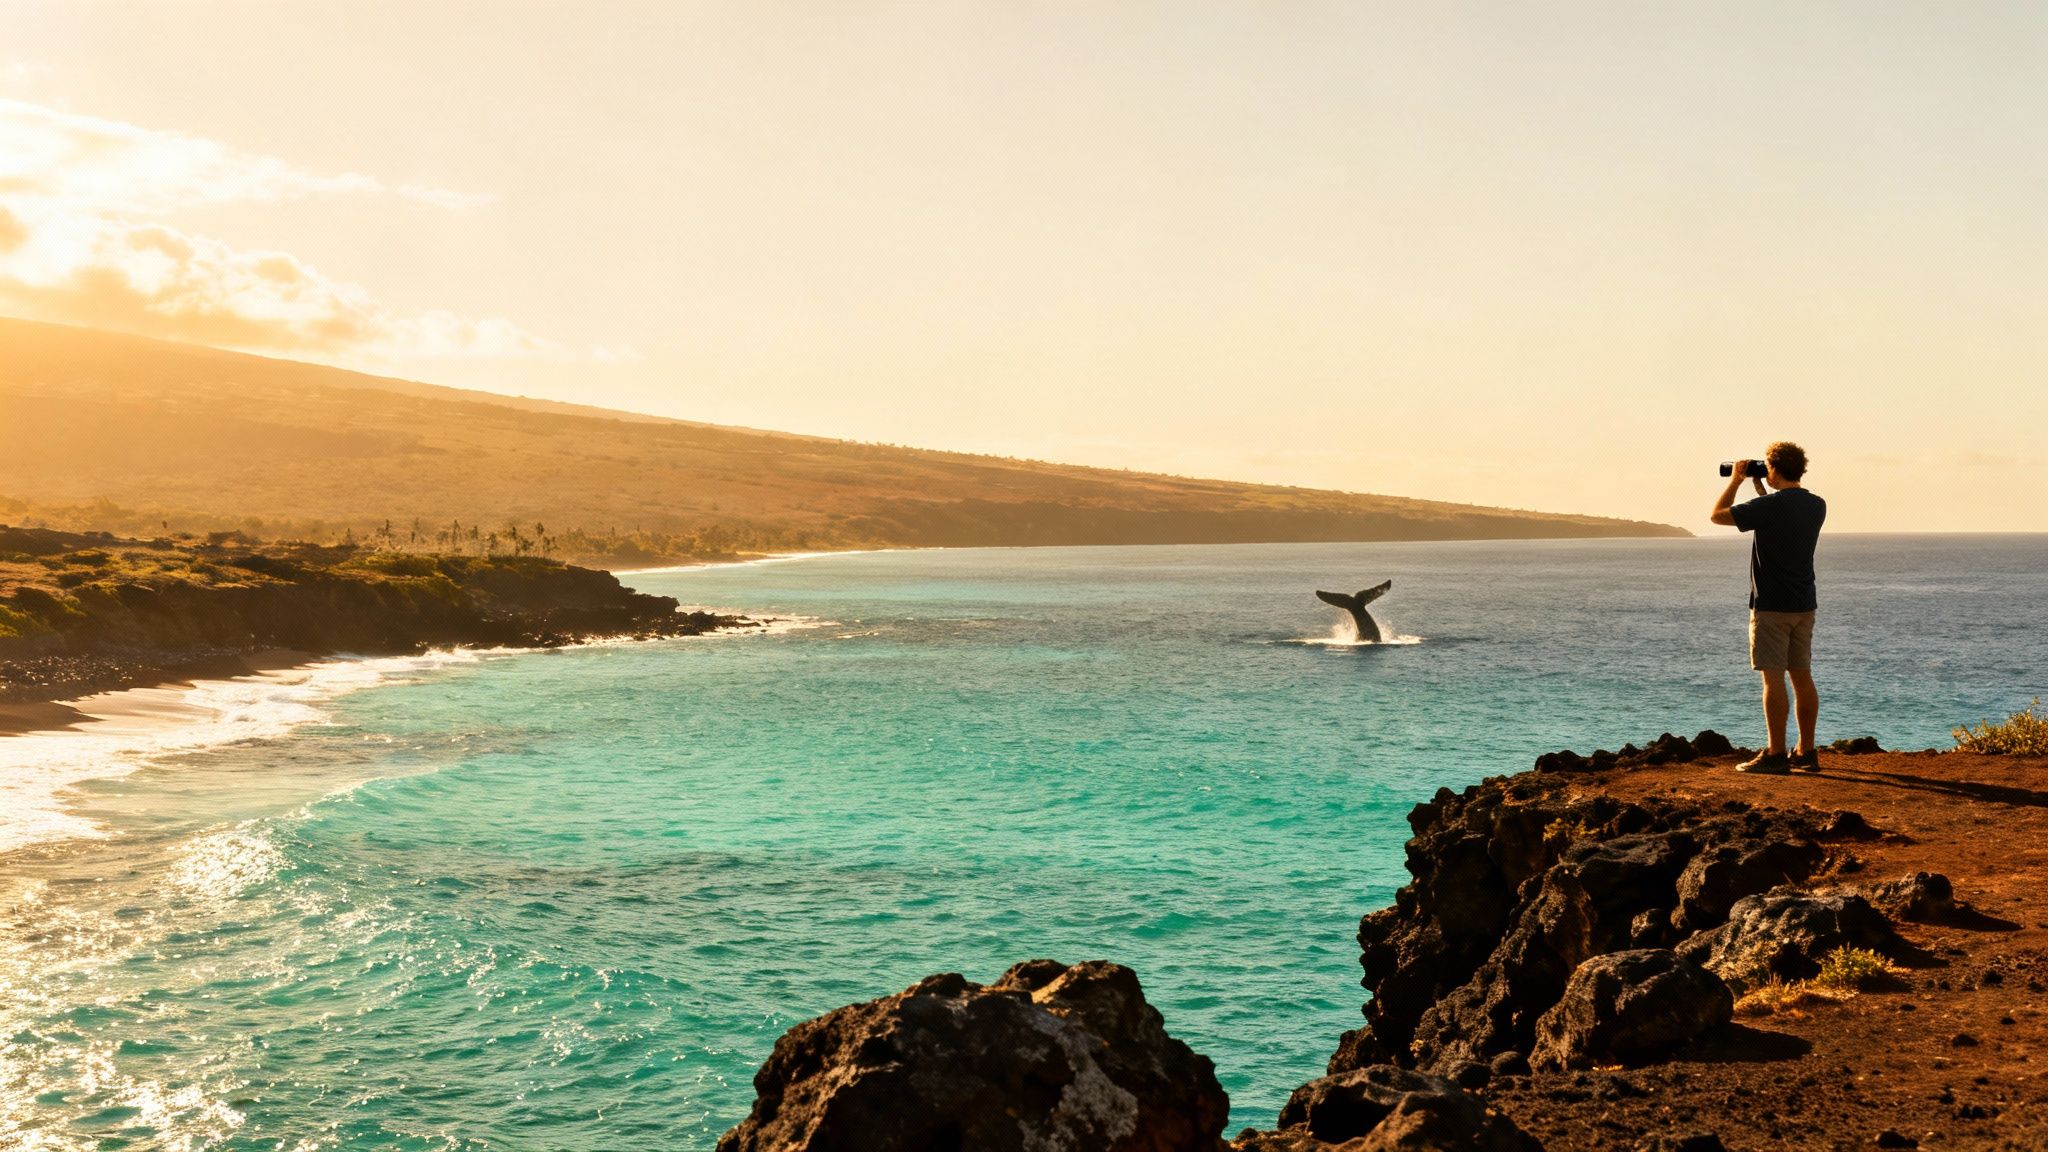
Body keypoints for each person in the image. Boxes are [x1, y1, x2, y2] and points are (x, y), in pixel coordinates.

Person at [1710, 442, 1826, 774]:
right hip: (1804, 604)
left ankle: (1776, 754)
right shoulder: (1817, 505)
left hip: (1772, 605)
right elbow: (1780, 513)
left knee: (1772, 680)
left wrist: (1735, 481)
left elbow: (1717, 516)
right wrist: (1762, 487)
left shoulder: (1772, 507)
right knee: (1802, 677)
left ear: (1773, 468)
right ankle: (1806, 751)